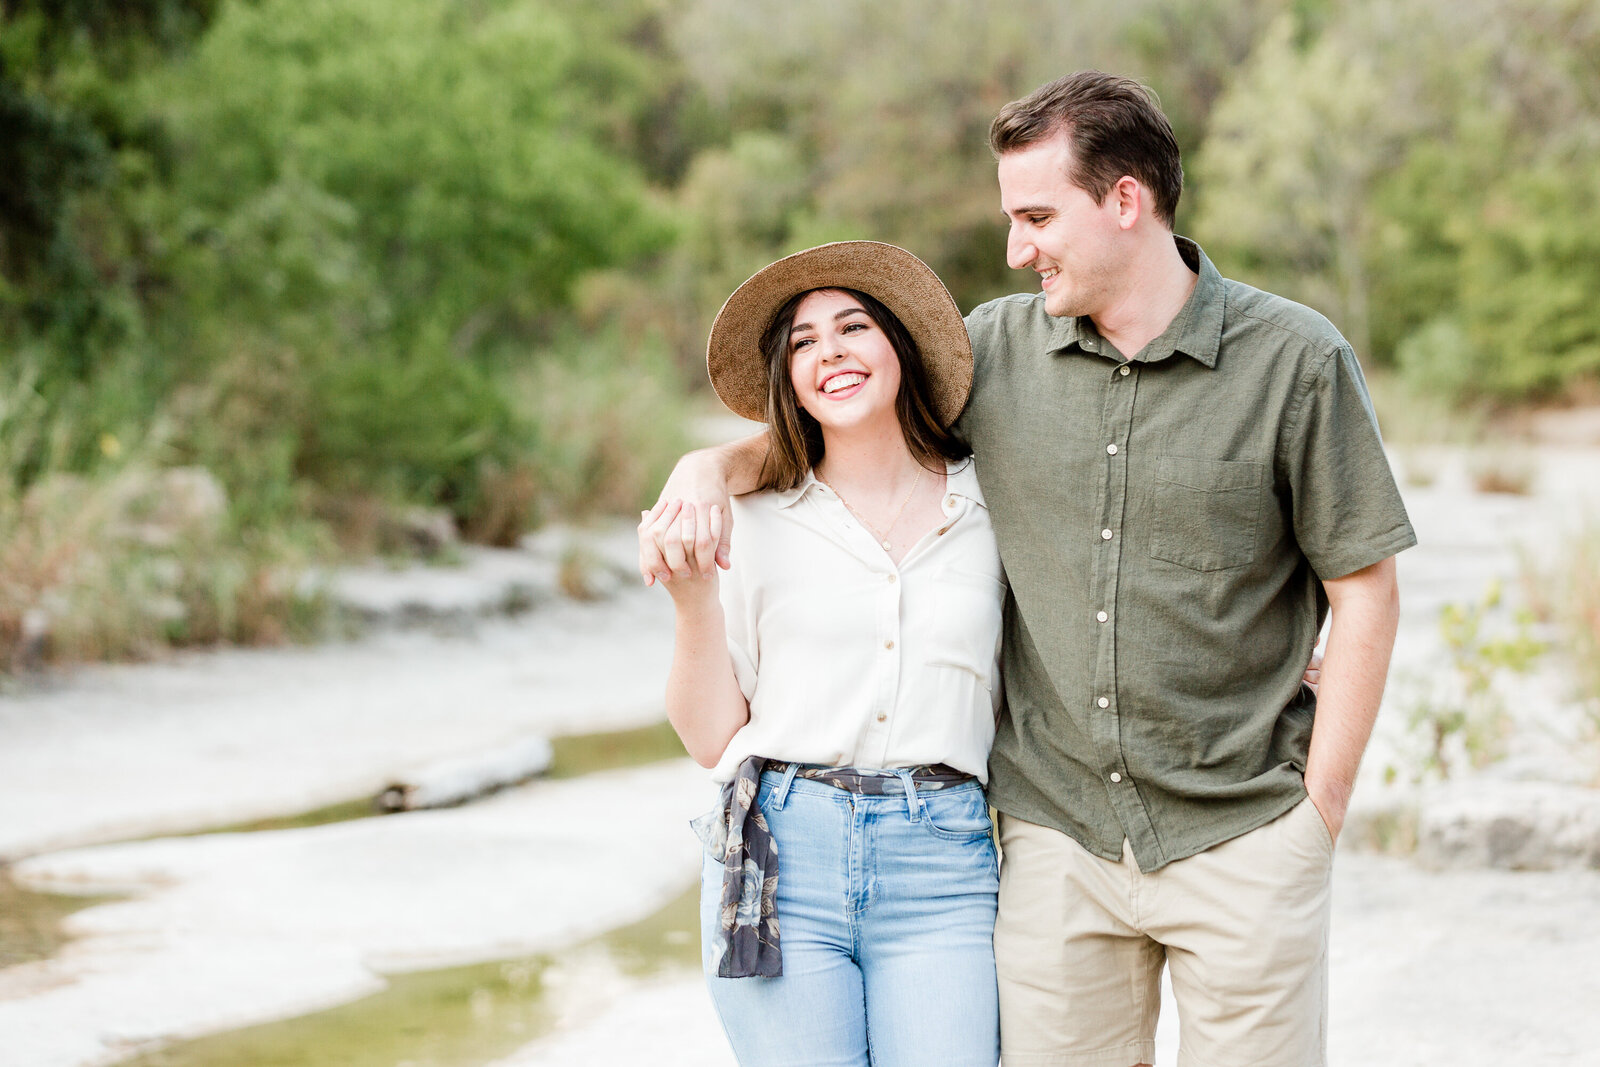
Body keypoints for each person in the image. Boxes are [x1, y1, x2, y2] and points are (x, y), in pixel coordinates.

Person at [642, 71, 1415, 1067]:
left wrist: (1321, 807)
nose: (1017, 248)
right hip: (1054, 840)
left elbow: (1364, 588)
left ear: (1124, 199)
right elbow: (844, 422)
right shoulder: (992, 352)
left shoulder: (1296, 361)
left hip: (1245, 827)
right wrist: (705, 465)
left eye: (1036, 216)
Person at [641, 241, 1005, 1066]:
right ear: (788, 377)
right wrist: (693, 596)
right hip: (781, 857)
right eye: (803, 341)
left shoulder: (989, 505)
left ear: (900, 350)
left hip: (942, 862)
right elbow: (708, 737)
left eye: (853, 326)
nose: (829, 351)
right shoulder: (755, 516)